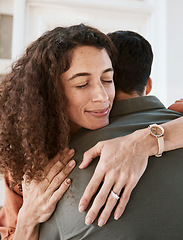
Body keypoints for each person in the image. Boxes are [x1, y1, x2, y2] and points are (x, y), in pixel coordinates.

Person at [39, 30, 183, 240]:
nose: (99, 96)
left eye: (106, 79)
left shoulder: (56, 168)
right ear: (148, 85)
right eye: (82, 84)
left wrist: (145, 142)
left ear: (111, 81)